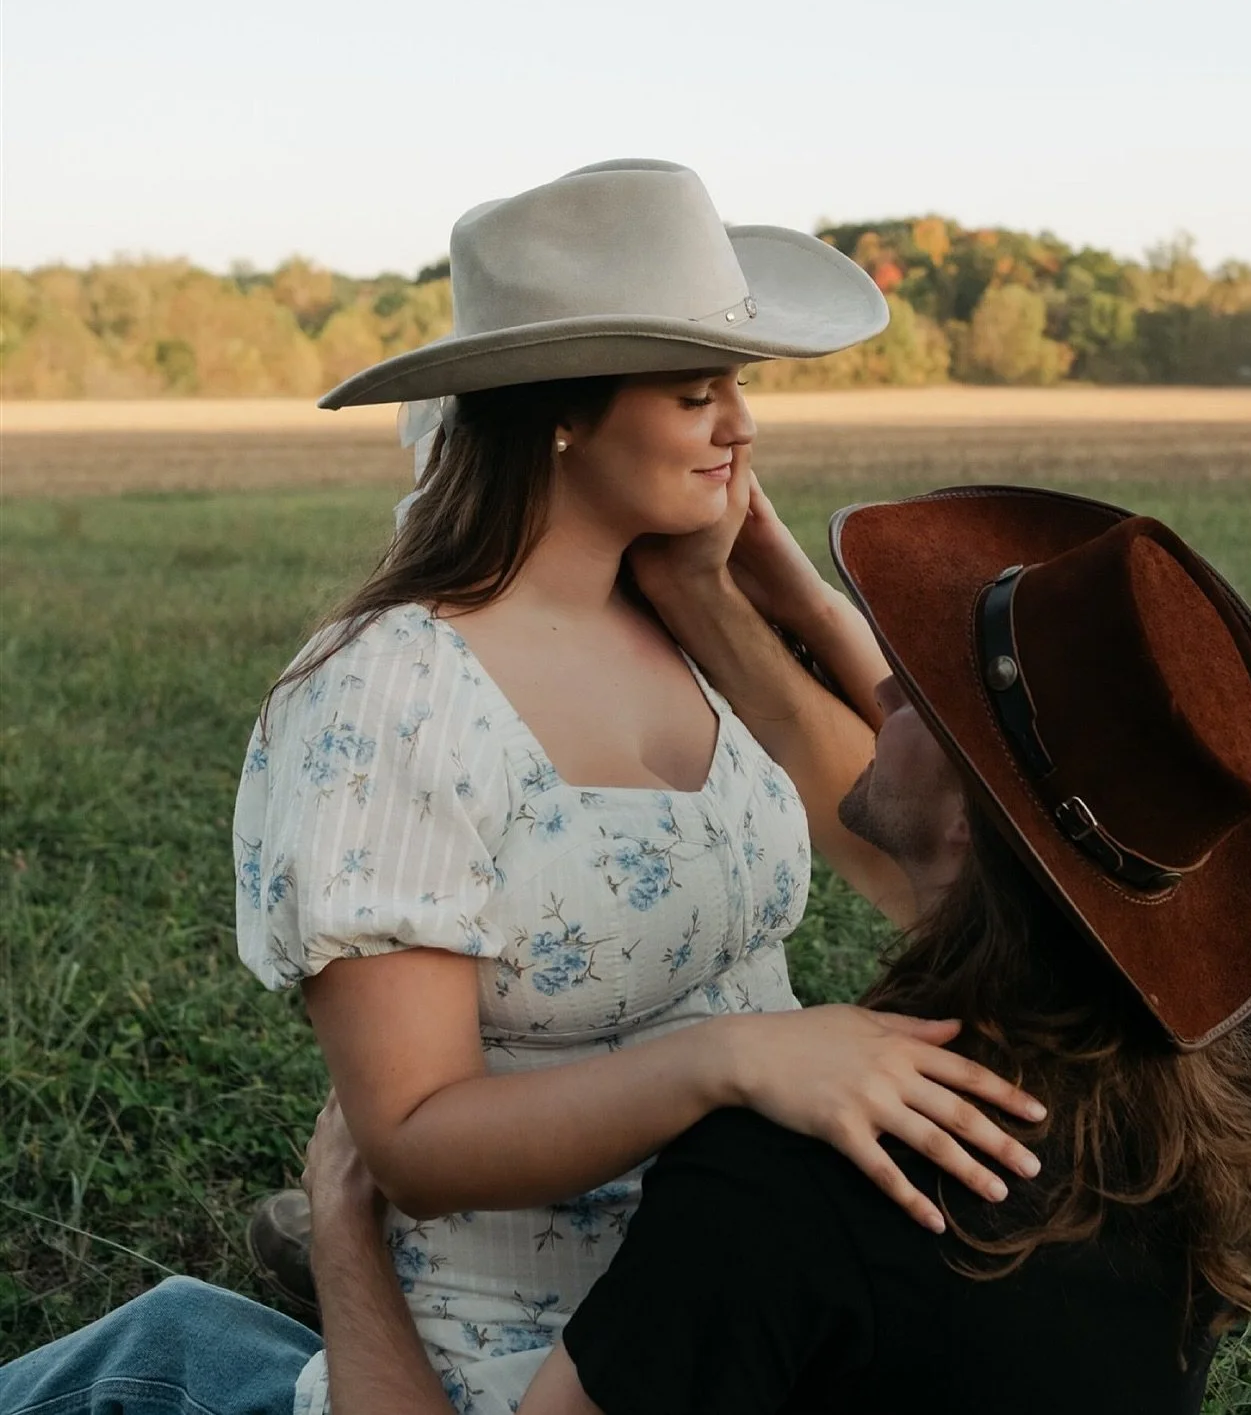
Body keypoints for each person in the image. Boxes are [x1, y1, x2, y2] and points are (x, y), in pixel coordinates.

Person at [0, 164, 1042, 1415]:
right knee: (155, 1358)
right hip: (522, 1363)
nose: (742, 429)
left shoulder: (684, 618)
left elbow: (919, 846)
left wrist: (777, 598)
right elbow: (414, 1141)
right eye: (697, 391)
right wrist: (738, 1059)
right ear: (559, 411)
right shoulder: (395, 696)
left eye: (741, 387)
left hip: (748, 1306)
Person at [137, 482, 1251, 1415]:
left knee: (167, 1344)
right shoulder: (1196, 1100)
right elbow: (935, 828)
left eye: (926, 692)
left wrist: (347, 1226)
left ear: (964, 826)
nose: (880, 684)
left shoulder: (777, 1193)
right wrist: (781, 598)